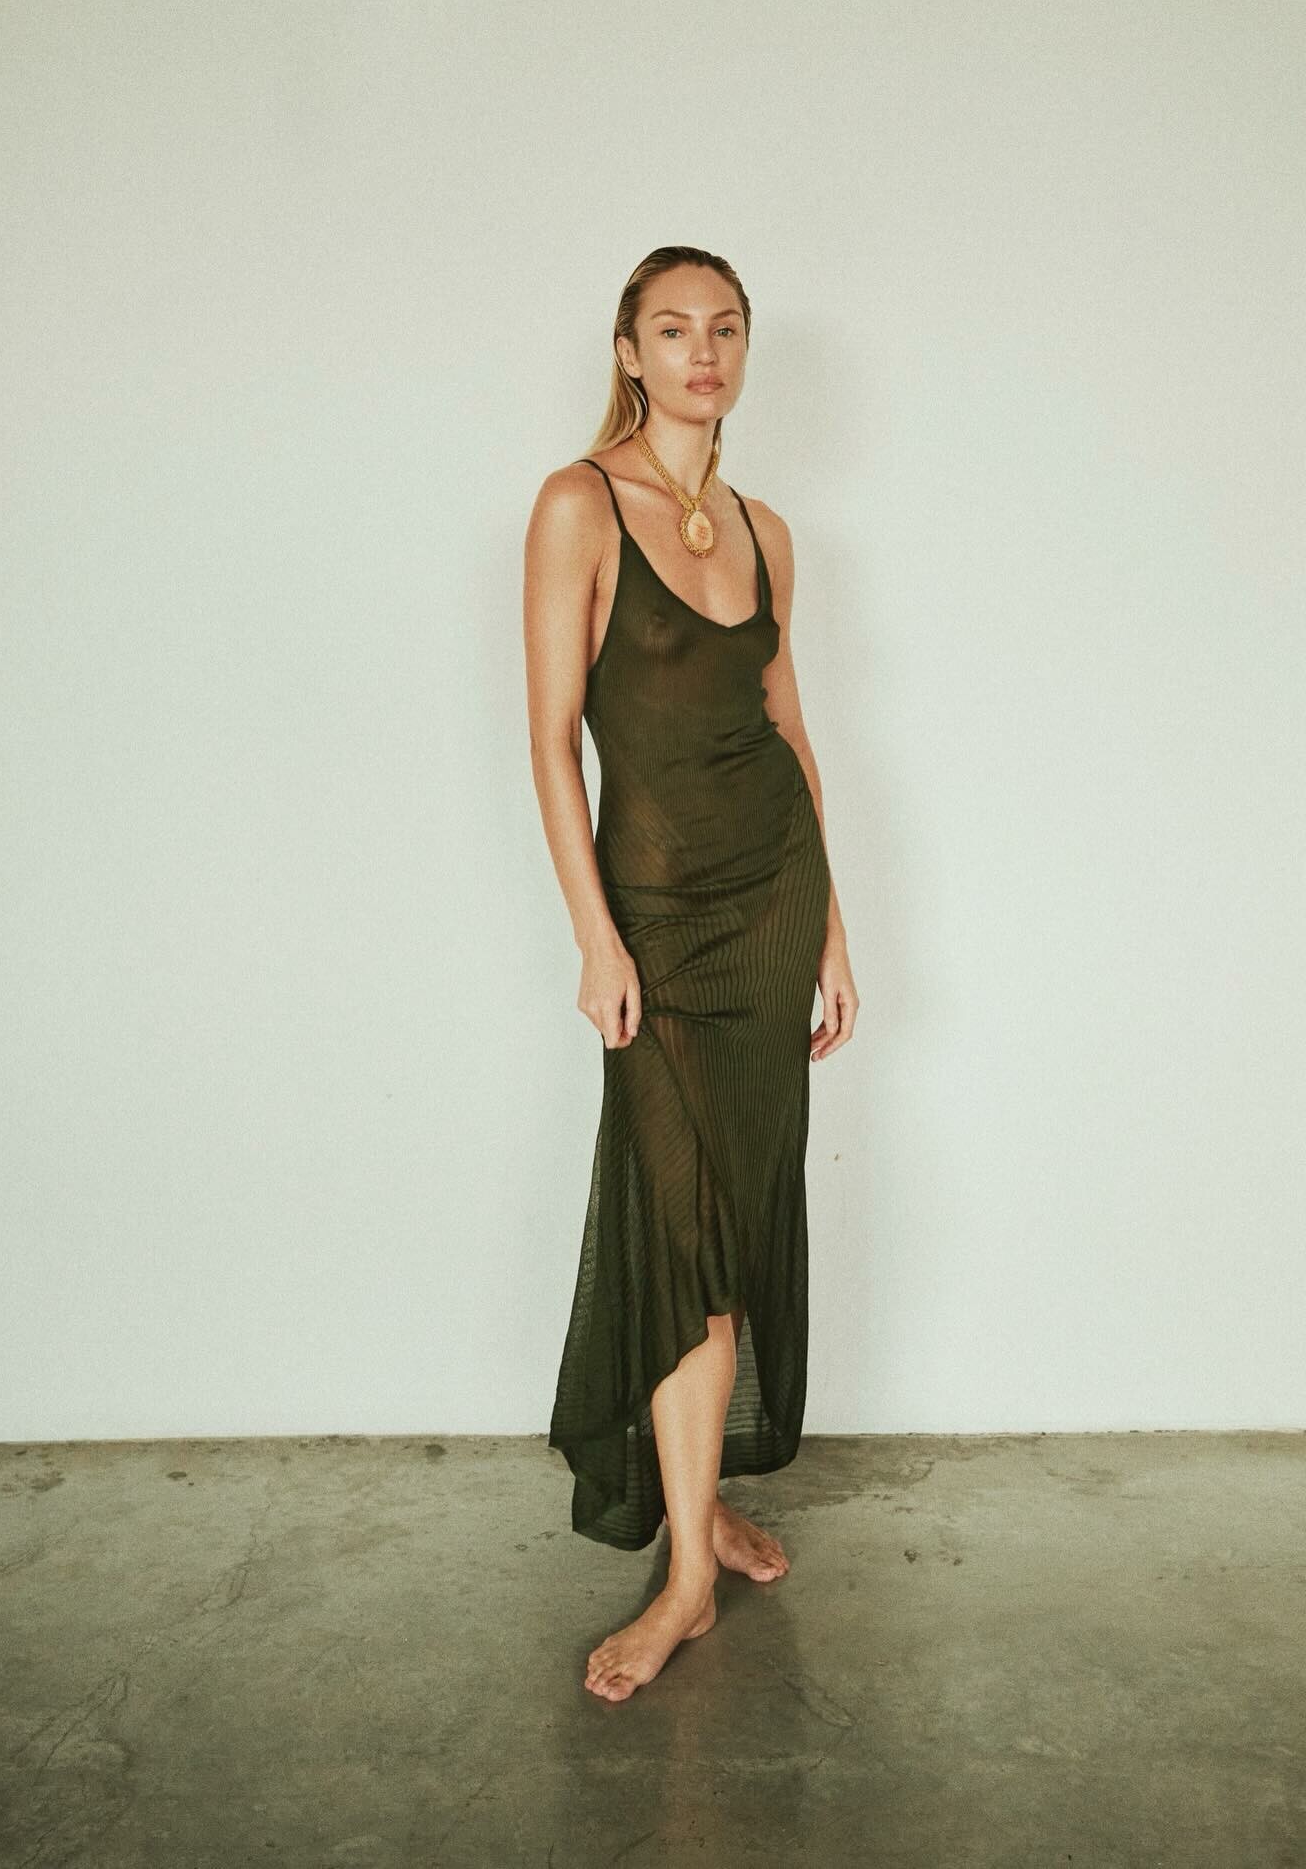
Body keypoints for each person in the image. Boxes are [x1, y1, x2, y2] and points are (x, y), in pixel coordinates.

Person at [524, 245, 858, 1701]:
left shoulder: (769, 532)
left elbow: (790, 734)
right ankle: (686, 1581)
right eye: (674, 330)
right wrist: (595, 935)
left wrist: (832, 928)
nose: (703, 352)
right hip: (655, 921)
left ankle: (697, 1514)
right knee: (678, 1229)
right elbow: (551, 738)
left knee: (734, 1222)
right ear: (631, 350)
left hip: (771, 904)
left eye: (724, 328)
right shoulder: (579, 505)